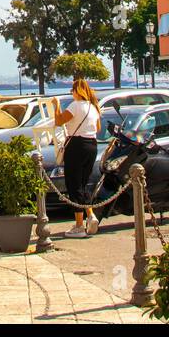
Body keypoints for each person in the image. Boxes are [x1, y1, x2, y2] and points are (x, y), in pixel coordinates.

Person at [53, 78, 101, 238]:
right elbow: (98, 128)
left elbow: (59, 121)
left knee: (73, 184)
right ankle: (90, 214)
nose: (71, 93)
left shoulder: (75, 105)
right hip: (92, 145)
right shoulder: (93, 107)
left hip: (77, 145)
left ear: (77, 91)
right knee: (83, 182)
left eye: (72, 90)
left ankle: (79, 225)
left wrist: (56, 105)